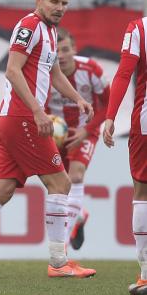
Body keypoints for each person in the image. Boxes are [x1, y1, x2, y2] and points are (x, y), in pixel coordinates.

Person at [0, 0, 97, 279]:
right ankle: (59, 262)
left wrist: (78, 98)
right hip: (22, 118)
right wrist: (37, 112)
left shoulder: (52, 32)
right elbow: (12, 71)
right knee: (61, 184)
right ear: (38, 0)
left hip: (12, 120)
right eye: (54, 1)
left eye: (65, 3)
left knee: (1, 190)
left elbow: (54, 73)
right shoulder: (30, 26)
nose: (59, 7)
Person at [47, 28, 108, 251]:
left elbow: (107, 103)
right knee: (60, 187)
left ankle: (61, 246)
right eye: (56, 51)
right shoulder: (45, 72)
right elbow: (41, 105)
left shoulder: (91, 69)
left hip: (84, 131)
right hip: (56, 135)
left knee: (76, 175)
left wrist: (87, 130)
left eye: (65, 50)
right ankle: (79, 214)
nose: (61, 55)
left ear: (74, 49)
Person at [102, 15, 147, 295]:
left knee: (142, 192)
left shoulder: (139, 28)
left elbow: (123, 73)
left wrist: (110, 117)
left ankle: (146, 273)